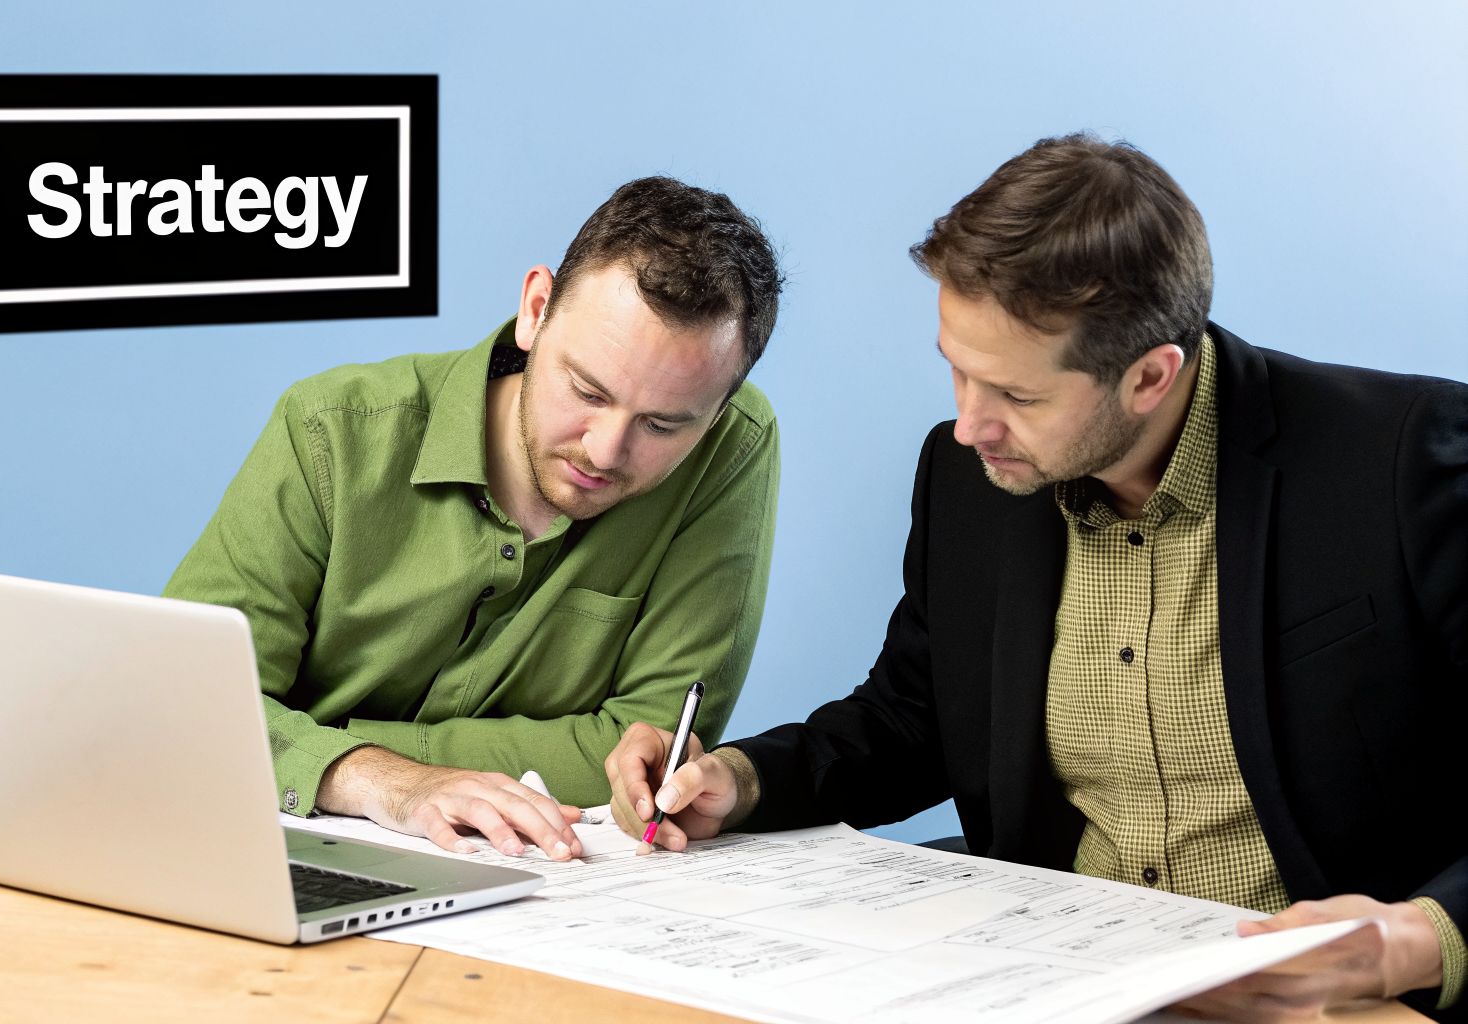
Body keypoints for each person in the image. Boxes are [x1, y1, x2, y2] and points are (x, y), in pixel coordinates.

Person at [605, 135, 1467, 1020]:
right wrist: (741, 780)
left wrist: (1416, 941)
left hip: (1338, 1004)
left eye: (1016, 396)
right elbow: (913, 718)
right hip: (1066, 986)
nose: (969, 424)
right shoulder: (971, 476)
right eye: (956, 366)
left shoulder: (1402, 462)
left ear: (1149, 376)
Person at [167, 176, 784, 864]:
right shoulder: (330, 433)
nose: (606, 450)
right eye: (586, 390)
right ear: (536, 309)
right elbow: (184, 702)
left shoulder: (733, 449)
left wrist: (310, 740)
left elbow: (641, 757)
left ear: (718, 409)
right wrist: (377, 778)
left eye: (664, 424)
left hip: (546, 886)